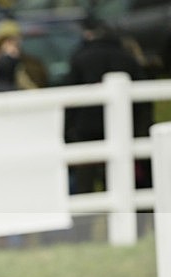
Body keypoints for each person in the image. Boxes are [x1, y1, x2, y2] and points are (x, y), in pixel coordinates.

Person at [63, 17, 149, 194]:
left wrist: (68, 130)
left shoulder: (80, 57)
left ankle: (85, 221)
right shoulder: (127, 58)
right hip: (122, 127)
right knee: (120, 180)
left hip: (86, 131)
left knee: (85, 183)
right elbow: (143, 100)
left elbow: (70, 97)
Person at [0, 21, 47, 94]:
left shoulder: (31, 65)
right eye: (7, 42)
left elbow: (35, 92)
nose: (11, 46)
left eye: (14, 42)